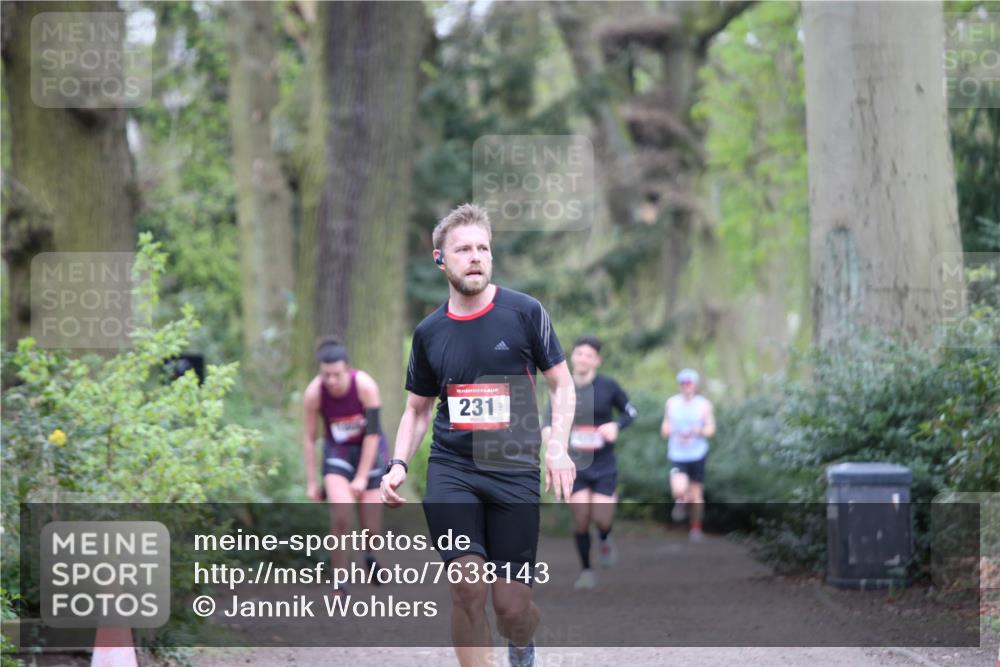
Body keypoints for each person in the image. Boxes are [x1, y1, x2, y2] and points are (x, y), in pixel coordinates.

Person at [380, 203, 576, 667]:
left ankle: (521, 639)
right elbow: (417, 410)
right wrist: (398, 464)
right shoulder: (429, 333)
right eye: (463, 249)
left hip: (513, 468)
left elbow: (562, 384)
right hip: (453, 470)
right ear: (439, 259)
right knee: (467, 586)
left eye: (483, 248)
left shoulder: (525, 313)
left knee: (511, 609)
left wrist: (558, 445)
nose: (475, 257)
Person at [542, 335, 637, 590]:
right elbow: (547, 421)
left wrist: (616, 425)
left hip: (604, 463)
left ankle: (605, 537)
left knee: (603, 518)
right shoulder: (562, 387)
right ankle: (586, 571)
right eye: (579, 353)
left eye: (588, 355)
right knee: (581, 518)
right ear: (572, 357)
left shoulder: (608, 386)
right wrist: (550, 442)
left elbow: (631, 412)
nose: (583, 358)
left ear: (597, 360)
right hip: (576, 464)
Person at [302, 337, 389, 593]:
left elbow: (373, 433)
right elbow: (309, 438)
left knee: (371, 528)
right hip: (338, 452)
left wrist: (362, 477)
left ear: (347, 369)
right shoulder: (314, 392)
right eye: (326, 374)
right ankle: (340, 578)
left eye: (336, 375)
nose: (331, 381)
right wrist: (311, 482)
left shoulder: (365, 386)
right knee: (341, 516)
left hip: (369, 451)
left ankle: (370, 555)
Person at [660, 368, 716, 541]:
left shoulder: (704, 405)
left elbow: (710, 429)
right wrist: (670, 431)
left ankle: (696, 528)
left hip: (697, 454)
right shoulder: (671, 403)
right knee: (678, 489)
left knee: (697, 492)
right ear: (679, 385)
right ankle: (682, 500)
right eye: (683, 383)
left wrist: (698, 431)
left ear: (695, 385)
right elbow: (665, 428)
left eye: (689, 383)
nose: (686, 386)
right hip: (677, 454)